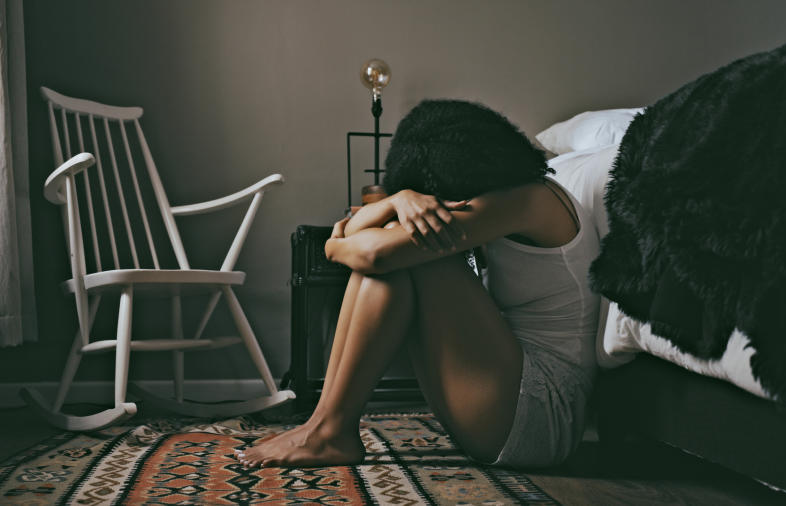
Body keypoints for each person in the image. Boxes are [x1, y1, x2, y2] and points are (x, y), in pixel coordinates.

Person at [237, 99, 600, 468]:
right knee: (400, 249)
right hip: (498, 400)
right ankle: (324, 424)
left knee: (407, 253)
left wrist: (333, 245)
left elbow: (376, 252)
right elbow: (363, 235)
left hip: (542, 420)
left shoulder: (527, 200)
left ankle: (330, 430)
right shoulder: (502, 194)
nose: (448, 203)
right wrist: (399, 199)